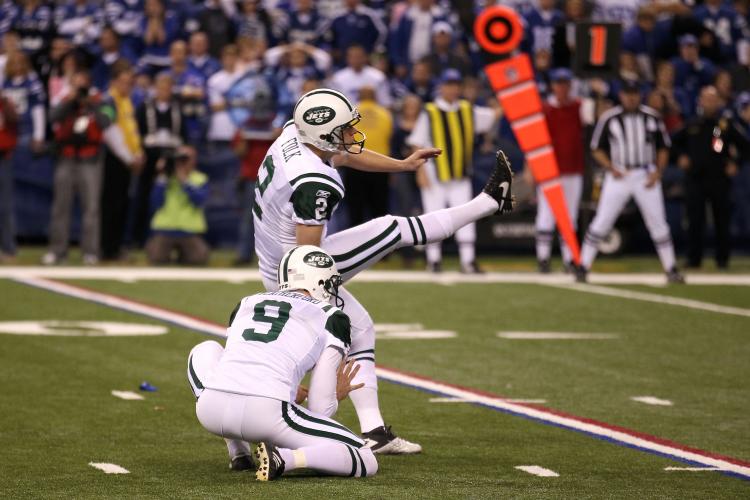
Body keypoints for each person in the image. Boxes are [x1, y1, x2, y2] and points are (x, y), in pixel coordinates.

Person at [251, 87, 513, 454]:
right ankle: (487, 203)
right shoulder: (313, 181)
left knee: (361, 331)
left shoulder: (295, 135)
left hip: (276, 256)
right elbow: (308, 254)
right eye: (342, 129)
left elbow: (341, 155)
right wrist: (308, 301)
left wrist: (403, 164)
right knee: (392, 229)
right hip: (295, 266)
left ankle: (374, 432)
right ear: (323, 133)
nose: (350, 135)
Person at [188, 245, 377, 480]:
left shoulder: (246, 303)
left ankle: (238, 452)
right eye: (329, 283)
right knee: (366, 458)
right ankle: (285, 459)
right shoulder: (333, 317)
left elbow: (240, 362)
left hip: (210, 409)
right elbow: (320, 408)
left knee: (204, 349)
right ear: (318, 282)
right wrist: (335, 396)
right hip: (266, 414)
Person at [576, 80, 683, 284]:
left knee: (658, 223)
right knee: (602, 221)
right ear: (621, 95)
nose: (631, 97)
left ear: (639, 95)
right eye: (627, 93)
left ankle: (671, 268)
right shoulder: (609, 118)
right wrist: (610, 167)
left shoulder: (652, 117)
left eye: (634, 93)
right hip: (620, 175)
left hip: (645, 174)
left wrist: (658, 172)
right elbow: (596, 148)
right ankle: (583, 266)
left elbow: (663, 147)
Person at [407, 69, 501, 273]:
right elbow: (417, 142)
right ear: (441, 87)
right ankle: (433, 260)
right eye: (449, 84)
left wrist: (497, 99)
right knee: (433, 215)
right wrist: (420, 172)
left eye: (456, 84)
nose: (452, 89)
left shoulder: (468, 109)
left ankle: (468, 261)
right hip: (434, 173)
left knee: (466, 216)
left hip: (460, 174)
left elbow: (494, 116)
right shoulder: (430, 111)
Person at [672, 86, 749, 269]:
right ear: (700, 101)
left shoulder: (725, 124)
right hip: (695, 178)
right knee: (695, 220)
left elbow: (746, 146)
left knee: (722, 220)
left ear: (718, 102)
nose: (710, 103)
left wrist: (736, 163)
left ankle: (722, 259)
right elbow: (672, 143)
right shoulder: (691, 124)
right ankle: (694, 259)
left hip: (719, 178)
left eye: (713, 99)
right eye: (706, 99)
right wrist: (680, 157)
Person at [43, 69, 106, 265]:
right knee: (61, 207)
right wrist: (70, 101)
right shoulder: (65, 100)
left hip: (90, 159)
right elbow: (52, 117)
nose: (80, 90)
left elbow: (108, 121)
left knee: (91, 209)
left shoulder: (99, 99)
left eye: (82, 85)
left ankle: (90, 252)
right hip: (67, 158)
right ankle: (57, 251)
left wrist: (92, 104)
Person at [535, 68, 586, 273]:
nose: (562, 88)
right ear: (553, 86)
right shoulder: (545, 109)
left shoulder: (579, 106)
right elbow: (536, 141)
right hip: (550, 170)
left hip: (573, 170)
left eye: (565, 83)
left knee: (570, 216)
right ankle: (543, 258)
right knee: (546, 215)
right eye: (558, 83)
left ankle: (569, 259)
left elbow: (598, 113)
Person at [99, 58, 144, 261]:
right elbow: (110, 131)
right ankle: (107, 249)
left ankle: (116, 247)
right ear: (114, 81)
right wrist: (128, 157)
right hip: (114, 159)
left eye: (130, 82)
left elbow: (130, 132)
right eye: (125, 81)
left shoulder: (126, 101)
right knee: (112, 205)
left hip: (127, 159)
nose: (128, 86)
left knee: (122, 205)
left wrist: (138, 153)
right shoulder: (109, 100)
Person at [145, 145, 210, 265]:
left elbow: (199, 201)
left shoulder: (200, 179)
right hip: (165, 229)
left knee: (198, 259)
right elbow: (155, 203)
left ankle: (184, 255)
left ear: (194, 160)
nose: (182, 162)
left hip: (189, 231)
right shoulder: (164, 178)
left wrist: (184, 181)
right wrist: (163, 175)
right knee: (157, 258)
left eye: (185, 158)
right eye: (179, 158)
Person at [0, 91, 17, 263]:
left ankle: (8, 248)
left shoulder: (5, 102)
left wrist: (6, 104)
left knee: (5, 207)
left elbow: (14, 121)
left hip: (2, 156)